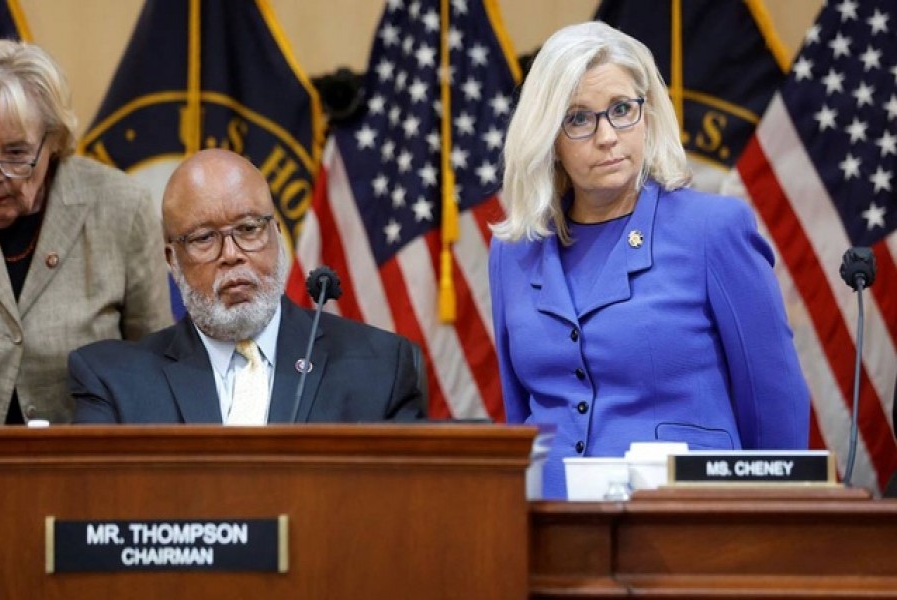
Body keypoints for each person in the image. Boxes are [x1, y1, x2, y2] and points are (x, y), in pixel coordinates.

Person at [489, 22, 810, 499]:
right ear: (547, 136)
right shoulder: (513, 251)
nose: (607, 136)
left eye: (622, 110)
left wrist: (765, 531)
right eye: (578, 118)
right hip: (546, 527)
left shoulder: (713, 230)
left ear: (648, 115)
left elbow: (773, 407)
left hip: (686, 526)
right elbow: (519, 417)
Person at [69, 148, 425, 424]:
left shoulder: (381, 367)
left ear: (277, 235)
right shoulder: (115, 383)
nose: (231, 255)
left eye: (249, 229)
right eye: (205, 238)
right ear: (171, 260)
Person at [0, 40, 172, 425]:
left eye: (15, 154)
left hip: (85, 463)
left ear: (54, 140)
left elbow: (157, 361)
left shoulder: (120, 207)